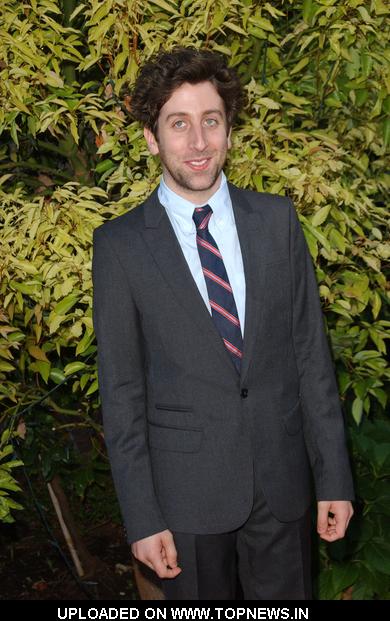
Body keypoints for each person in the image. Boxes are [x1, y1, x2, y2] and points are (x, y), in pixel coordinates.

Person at [92, 47, 354, 600]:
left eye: (211, 121)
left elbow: (311, 355)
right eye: (178, 123)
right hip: (183, 499)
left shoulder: (277, 221)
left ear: (229, 131)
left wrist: (333, 478)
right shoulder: (118, 247)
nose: (198, 141)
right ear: (151, 137)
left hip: (283, 489)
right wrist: (141, 516)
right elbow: (121, 392)